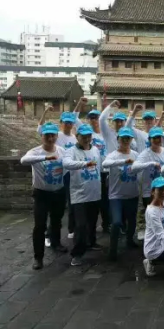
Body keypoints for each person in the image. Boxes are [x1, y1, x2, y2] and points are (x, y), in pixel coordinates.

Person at [21, 123, 67, 270]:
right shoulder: (35, 152)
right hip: (41, 194)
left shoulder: (62, 151)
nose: (50, 138)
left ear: (57, 136)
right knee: (40, 225)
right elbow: (23, 160)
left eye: (53, 135)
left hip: (58, 192)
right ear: (42, 136)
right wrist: (45, 157)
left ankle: (56, 243)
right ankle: (38, 257)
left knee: (56, 220)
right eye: (47, 135)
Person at [62, 124, 102, 266]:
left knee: (92, 222)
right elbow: (66, 163)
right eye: (83, 136)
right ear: (77, 136)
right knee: (80, 225)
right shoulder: (71, 151)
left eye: (88, 136)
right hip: (79, 194)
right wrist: (84, 164)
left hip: (94, 192)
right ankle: (77, 253)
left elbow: (99, 167)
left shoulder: (95, 150)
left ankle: (91, 242)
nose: (86, 139)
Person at [38, 110, 76, 242]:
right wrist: (45, 112)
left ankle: (71, 229)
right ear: (61, 123)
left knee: (71, 203)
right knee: (54, 207)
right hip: (56, 173)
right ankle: (49, 235)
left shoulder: (74, 137)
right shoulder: (55, 134)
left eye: (70, 122)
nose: (68, 125)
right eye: (66, 122)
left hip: (69, 173)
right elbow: (40, 128)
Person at [102, 127, 139, 261]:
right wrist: (124, 161)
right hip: (116, 196)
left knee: (132, 221)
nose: (125, 141)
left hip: (132, 195)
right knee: (116, 222)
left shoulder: (136, 154)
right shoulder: (113, 155)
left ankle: (129, 240)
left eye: (128, 138)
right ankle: (112, 249)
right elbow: (105, 164)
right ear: (118, 140)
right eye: (123, 138)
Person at [74, 98, 110, 234]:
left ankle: (106, 224)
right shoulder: (88, 134)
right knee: (93, 200)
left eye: (96, 117)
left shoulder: (106, 133)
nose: (94, 120)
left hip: (106, 171)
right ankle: (90, 227)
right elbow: (74, 118)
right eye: (92, 118)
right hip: (93, 171)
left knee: (106, 199)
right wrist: (80, 104)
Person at [132, 127, 164, 240]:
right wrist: (150, 164)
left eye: (159, 137)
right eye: (154, 138)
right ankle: (150, 244)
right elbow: (134, 167)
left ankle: (160, 242)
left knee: (161, 218)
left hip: (163, 191)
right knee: (152, 220)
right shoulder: (145, 154)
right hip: (149, 192)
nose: (157, 140)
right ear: (149, 140)